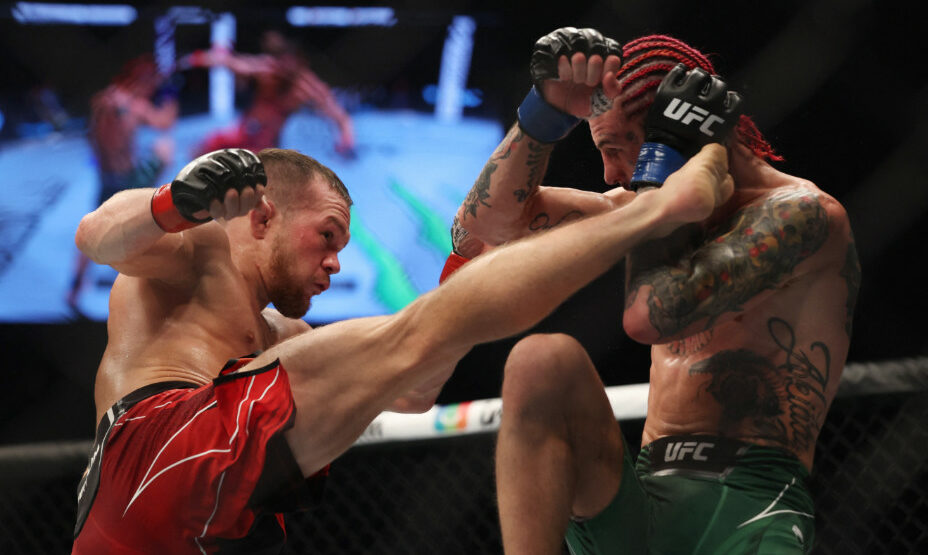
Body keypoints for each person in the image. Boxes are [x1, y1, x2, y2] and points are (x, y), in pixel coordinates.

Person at [69, 137, 733, 552]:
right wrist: (176, 201)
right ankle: (658, 208)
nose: (335, 263)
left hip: (192, 529)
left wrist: (464, 272)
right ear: (263, 214)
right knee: (418, 329)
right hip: (153, 457)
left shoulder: (285, 340)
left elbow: (415, 391)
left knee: (417, 336)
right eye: (327, 235)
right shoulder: (197, 250)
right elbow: (97, 234)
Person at [446, 28, 860, 553]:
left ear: (678, 136)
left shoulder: (802, 216)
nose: (610, 174)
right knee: (539, 362)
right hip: (643, 498)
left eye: (618, 148)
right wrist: (544, 113)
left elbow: (649, 317)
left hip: (749, 503)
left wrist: (659, 176)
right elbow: (477, 233)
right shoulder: (638, 206)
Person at [68, 54, 178, 311]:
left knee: (93, 231)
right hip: (127, 180)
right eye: (152, 84)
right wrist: (171, 93)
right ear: (143, 80)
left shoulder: (103, 100)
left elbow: (92, 136)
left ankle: (74, 289)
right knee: (164, 150)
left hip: (107, 177)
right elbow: (165, 122)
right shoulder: (132, 104)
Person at [180, 30, 355, 157]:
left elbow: (339, 116)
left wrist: (346, 140)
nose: (283, 69)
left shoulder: (306, 88)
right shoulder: (267, 70)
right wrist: (195, 58)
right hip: (243, 132)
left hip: (266, 144)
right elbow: (231, 62)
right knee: (200, 152)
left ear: (301, 62)